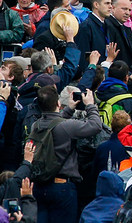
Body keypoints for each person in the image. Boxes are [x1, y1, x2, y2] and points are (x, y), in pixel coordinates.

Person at [30, 84, 104, 222]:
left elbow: (55, 123)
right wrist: (90, 105)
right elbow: (95, 125)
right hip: (62, 187)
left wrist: (69, 109)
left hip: (39, 185)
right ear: (58, 103)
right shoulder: (67, 126)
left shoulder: (36, 126)